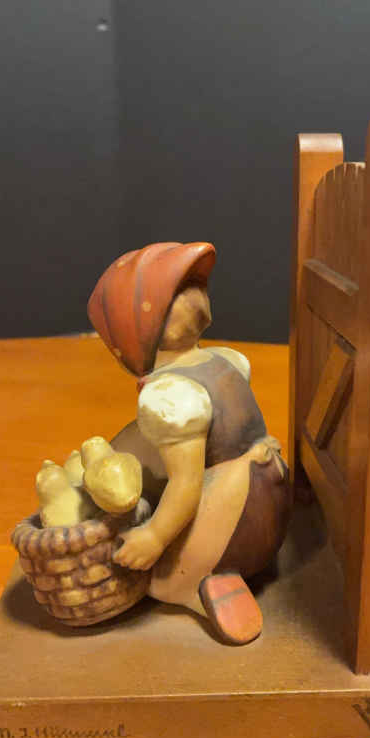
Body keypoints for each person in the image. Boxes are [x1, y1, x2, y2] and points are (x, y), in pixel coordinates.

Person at [87, 241, 290, 644]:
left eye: (191, 286)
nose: (193, 293)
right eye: (178, 291)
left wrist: (155, 537)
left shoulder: (172, 395)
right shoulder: (226, 360)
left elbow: (187, 483)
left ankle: (203, 584)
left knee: (154, 577)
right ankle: (242, 565)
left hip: (232, 516)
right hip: (273, 500)